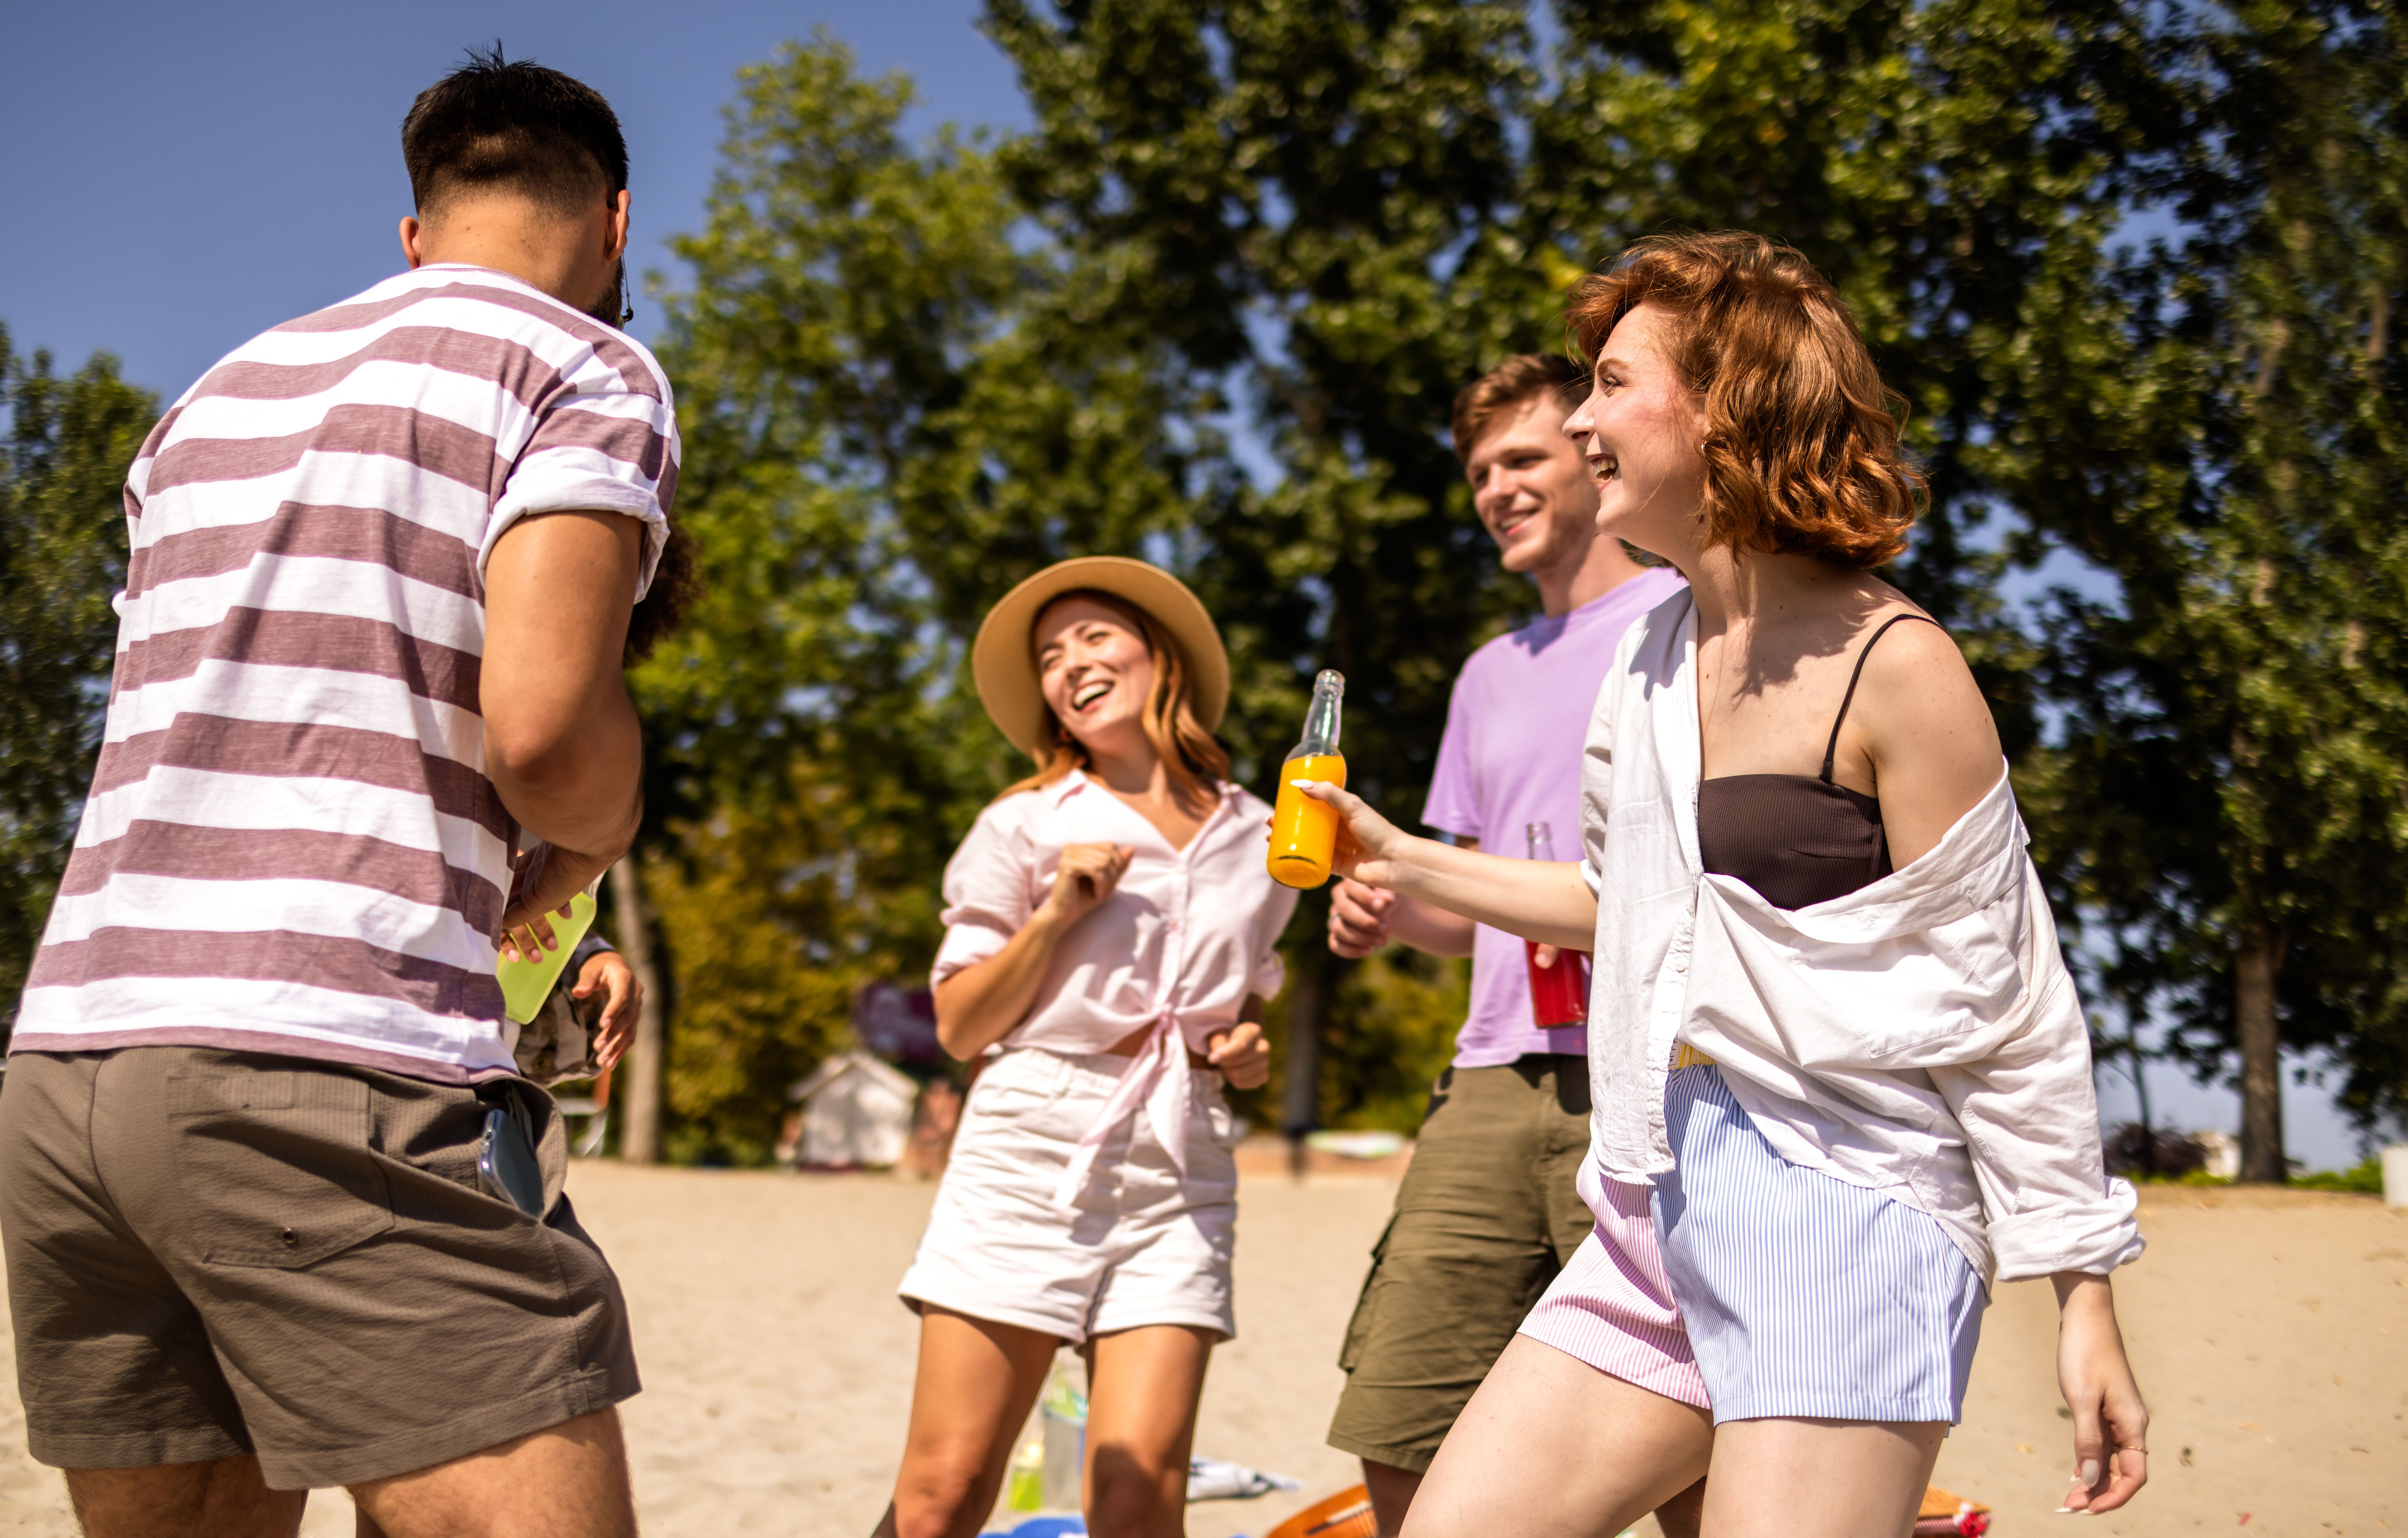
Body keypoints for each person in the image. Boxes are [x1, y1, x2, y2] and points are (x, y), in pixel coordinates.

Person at [1295, 232, 2150, 1537]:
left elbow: (2010, 1005)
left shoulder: (1897, 664)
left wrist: (2081, 1296)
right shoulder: (1644, 652)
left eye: (1615, 382)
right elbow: (1617, 906)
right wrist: (1396, 853)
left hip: (1850, 1211)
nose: (1582, 418)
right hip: (1653, 1204)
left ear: (1731, 406)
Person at [0, 49, 675, 1538]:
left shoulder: (216, 392)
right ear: (617, 225)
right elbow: (549, 731)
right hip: (321, 1065)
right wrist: (603, 823)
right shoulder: (581, 365)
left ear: (415, 233)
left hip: (71, 1072)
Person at [1319, 355, 1692, 1537]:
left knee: (1690, 1436)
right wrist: (1384, 908)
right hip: (1490, 1076)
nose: (1496, 489)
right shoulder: (1485, 675)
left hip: (1651, 1080)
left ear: (1593, 454)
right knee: (1400, 1421)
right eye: (1479, 472)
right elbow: (1455, 898)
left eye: (1521, 458)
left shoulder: (1682, 619)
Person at [876, 558, 1298, 1538]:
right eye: (1051, 657)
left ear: (1161, 657)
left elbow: (1245, 1003)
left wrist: (1242, 1049)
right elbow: (960, 1024)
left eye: (1095, 636)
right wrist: (1058, 912)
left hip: (1181, 1153)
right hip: (1030, 1144)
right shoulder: (1024, 825)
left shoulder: (1265, 835)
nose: (1071, 664)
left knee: (1141, 1489)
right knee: (944, 1493)